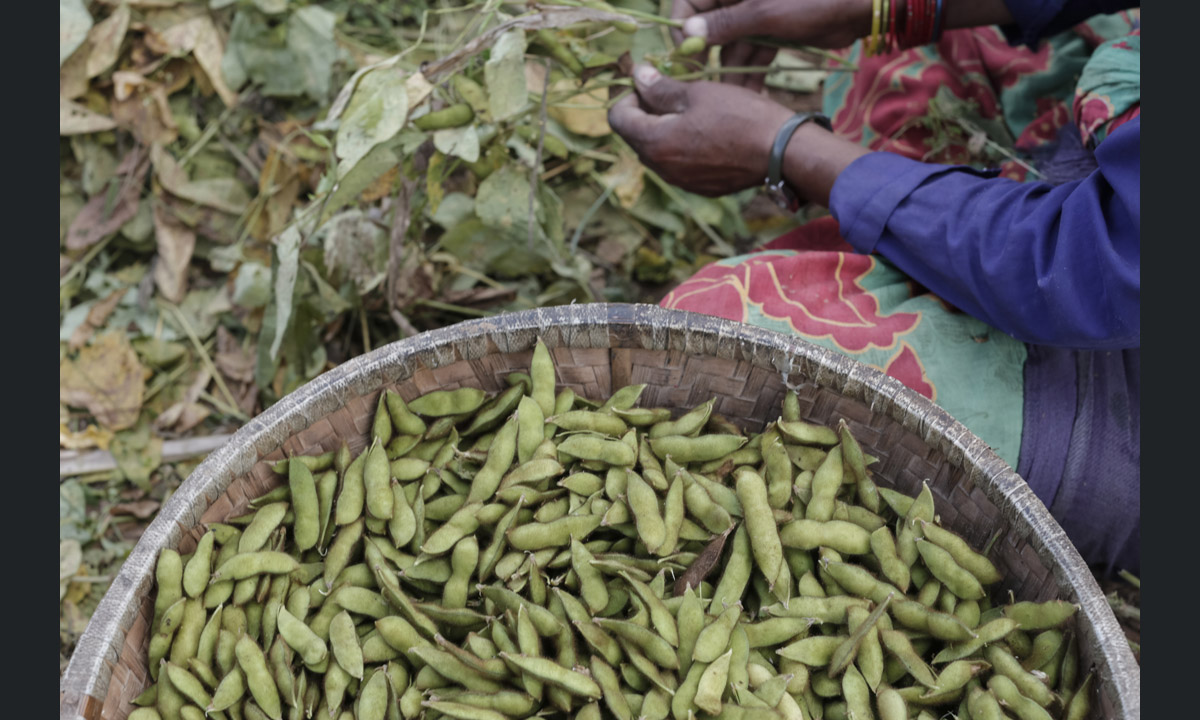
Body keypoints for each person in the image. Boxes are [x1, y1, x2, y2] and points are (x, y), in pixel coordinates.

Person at [607, 0, 1140, 574]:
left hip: (1119, 374)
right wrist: (893, 7)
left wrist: (789, 148)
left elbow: (1079, 265)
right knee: (906, 52)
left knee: (709, 343)